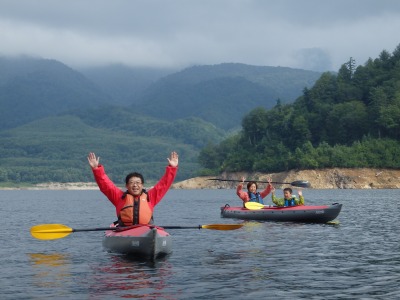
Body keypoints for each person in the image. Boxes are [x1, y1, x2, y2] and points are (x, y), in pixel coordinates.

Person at [87, 151, 178, 226]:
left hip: (145, 231)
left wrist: (172, 168)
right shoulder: (119, 197)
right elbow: (105, 184)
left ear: (142, 185)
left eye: (138, 183)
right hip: (125, 230)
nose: (135, 185)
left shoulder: (150, 197)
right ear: (127, 186)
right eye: (131, 183)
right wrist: (96, 169)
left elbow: (164, 185)